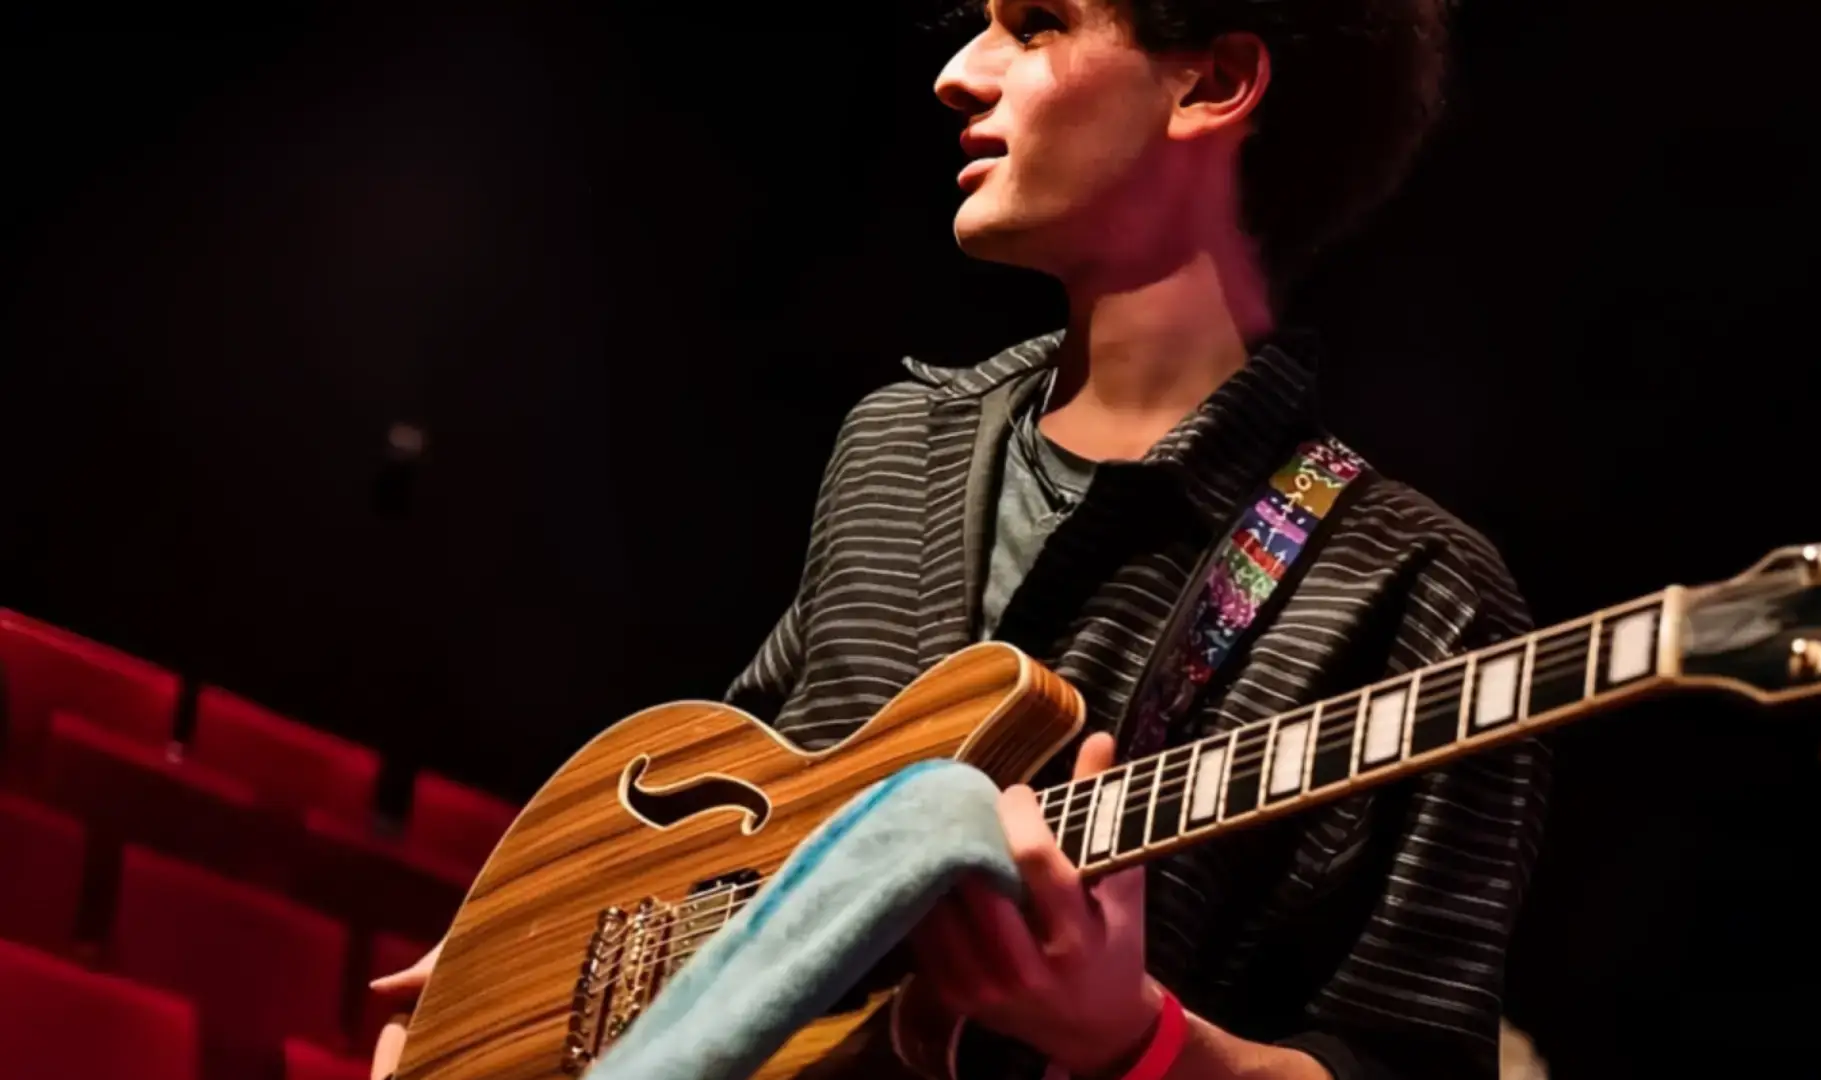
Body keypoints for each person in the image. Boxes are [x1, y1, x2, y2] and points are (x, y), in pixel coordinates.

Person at [372, 2, 1548, 1078]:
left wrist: (1143, 1042)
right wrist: (518, 979)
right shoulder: (899, 445)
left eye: (1035, 25)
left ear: (1214, 84)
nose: (953, 74)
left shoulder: (1419, 594)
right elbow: (730, 822)